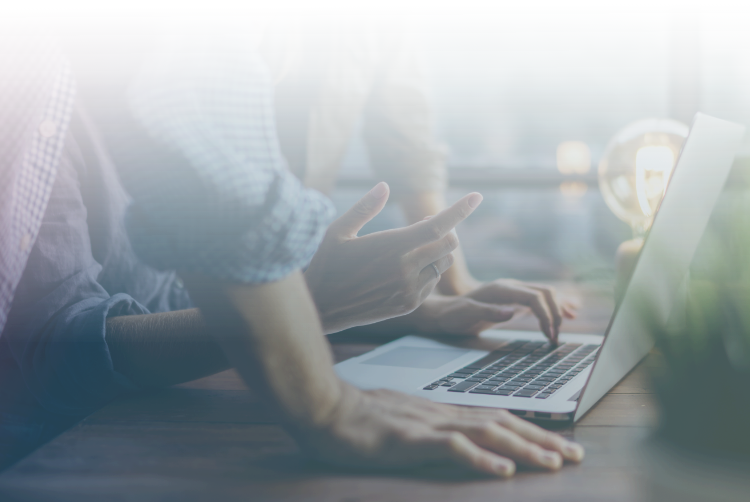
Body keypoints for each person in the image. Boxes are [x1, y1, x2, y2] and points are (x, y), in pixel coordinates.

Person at [0, 14, 584, 474]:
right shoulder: (51, 86)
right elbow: (49, 349)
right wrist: (327, 397)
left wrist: (392, 307)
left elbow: (175, 293)